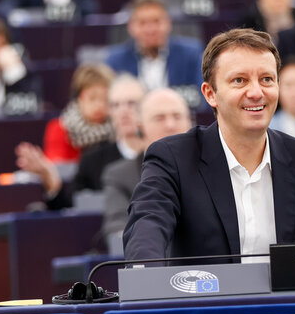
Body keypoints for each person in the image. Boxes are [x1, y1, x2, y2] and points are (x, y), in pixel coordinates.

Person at [123, 28, 295, 264]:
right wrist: (144, 277)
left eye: (267, 79)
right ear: (210, 94)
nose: (256, 92)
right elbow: (147, 224)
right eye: (239, 80)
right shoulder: (173, 158)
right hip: (208, 301)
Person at [15, 75, 145, 210]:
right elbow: (72, 211)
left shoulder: (161, 154)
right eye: (115, 105)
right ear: (110, 111)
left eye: (132, 103)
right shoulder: (92, 161)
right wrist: (51, 181)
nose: (123, 111)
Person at [101, 88, 193, 239]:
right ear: (140, 126)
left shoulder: (210, 166)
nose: (170, 125)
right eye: (159, 118)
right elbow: (117, 227)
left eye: (177, 116)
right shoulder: (119, 175)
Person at [105, 0, 204, 106]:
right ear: (131, 26)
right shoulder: (115, 60)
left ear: (168, 23)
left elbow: (203, 100)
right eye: (142, 23)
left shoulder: (192, 54)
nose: (150, 29)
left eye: (156, 21)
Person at [40, 63, 116, 162]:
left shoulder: (118, 129)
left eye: (105, 99)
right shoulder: (60, 128)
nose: (99, 105)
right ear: (79, 98)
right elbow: (57, 169)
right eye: (92, 98)